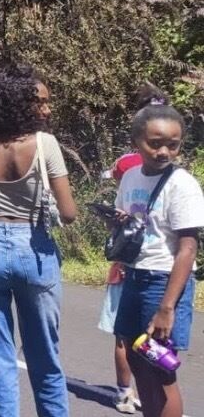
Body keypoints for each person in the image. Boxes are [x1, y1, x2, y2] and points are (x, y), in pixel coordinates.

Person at [0, 65, 77, 417]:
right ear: (19, 104)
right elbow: (69, 213)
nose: (48, 109)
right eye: (42, 103)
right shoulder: (44, 144)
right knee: (45, 358)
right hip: (33, 247)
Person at [111, 93, 200, 417]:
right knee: (137, 359)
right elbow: (126, 217)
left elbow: (188, 248)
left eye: (173, 144)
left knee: (160, 370)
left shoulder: (182, 185)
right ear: (137, 140)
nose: (164, 151)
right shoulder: (132, 176)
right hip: (135, 276)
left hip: (163, 283)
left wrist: (166, 308)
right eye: (155, 142)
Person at [100, 149, 143, 414]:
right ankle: (147, 391)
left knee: (123, 338)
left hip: (122, 272)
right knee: (148, 337)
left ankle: (125, 393)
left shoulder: (126, 196)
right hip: (157, 274)